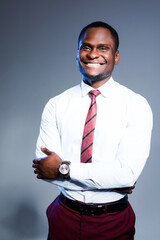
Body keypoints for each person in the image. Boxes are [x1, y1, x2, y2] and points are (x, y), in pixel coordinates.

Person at [32, 21, 153, 240]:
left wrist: (64, 169)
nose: (92, 54)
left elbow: (126, 174)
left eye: (103, 48)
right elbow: (44, 169)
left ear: (115, 56)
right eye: (86, 47)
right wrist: (110, 180)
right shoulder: (56, 104)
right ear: (77, 54)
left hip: (113, 221)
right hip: (64, 216)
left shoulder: (136, 105)